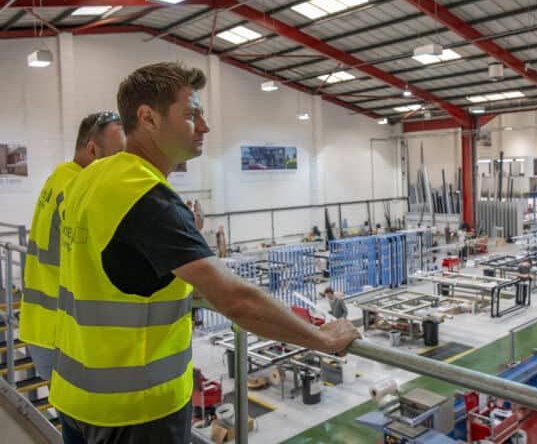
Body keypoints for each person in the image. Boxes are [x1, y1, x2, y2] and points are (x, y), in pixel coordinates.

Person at [50, 63, 359, 444]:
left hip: (75, 397)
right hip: (134, 411)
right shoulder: (146, 197)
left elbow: (116, 271)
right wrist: (321, 337)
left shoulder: (89, 179)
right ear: (148, 117)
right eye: (191, 114)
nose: (205, 127)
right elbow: (236, 299)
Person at [19, 111, 125, 382]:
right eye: (118, 155)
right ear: (92, 149)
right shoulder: (77, 187)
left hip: (42, 323)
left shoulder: (59, 176)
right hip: (62, 329)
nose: (124, 165)